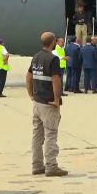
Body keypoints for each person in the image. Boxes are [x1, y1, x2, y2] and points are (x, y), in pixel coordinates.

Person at [26, 32, 68, 177]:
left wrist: (30, 93)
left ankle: (37, 165)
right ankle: (51, 166)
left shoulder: (36, 56)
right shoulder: (53, 59)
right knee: (51, 134)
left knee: (37, 136)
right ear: (53, 42)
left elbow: (29, 76)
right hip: (49, 103)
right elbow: (56, 80)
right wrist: (57, 99)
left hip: (37, 102)